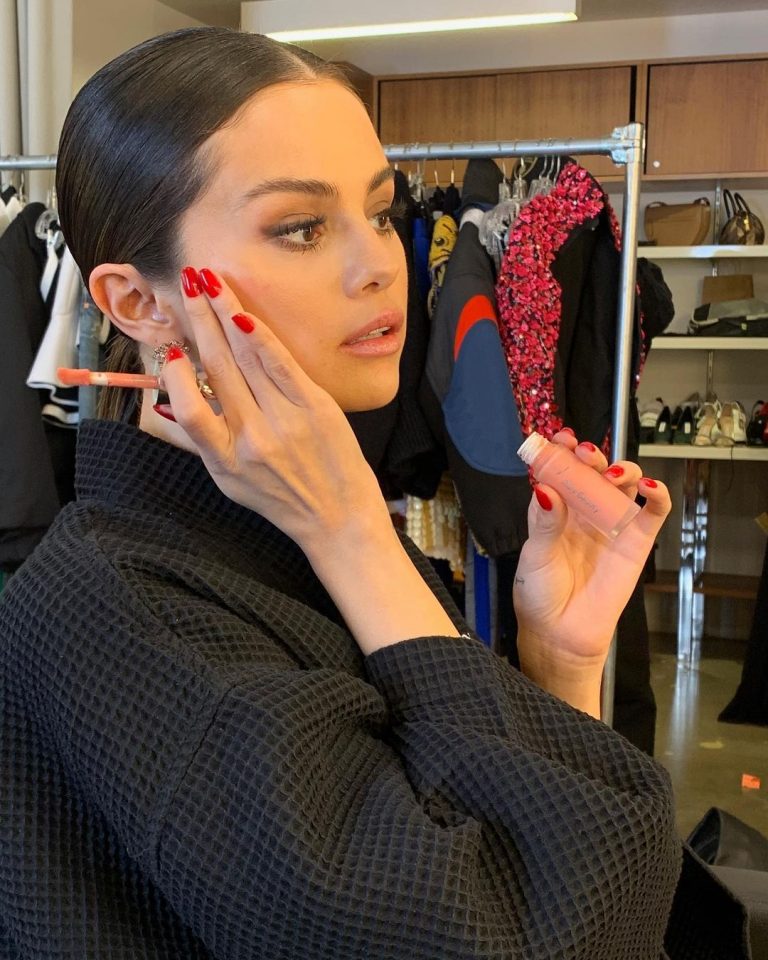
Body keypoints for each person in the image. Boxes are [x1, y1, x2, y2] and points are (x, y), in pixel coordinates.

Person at [0, 26, 749, 960]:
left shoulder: (289, 532)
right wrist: (354, 531)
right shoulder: (116, 611)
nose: (381, 265)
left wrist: (559, 667)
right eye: (302, 228)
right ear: (140, 303)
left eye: (383, 212)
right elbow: (522, 932)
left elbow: (543, 864)